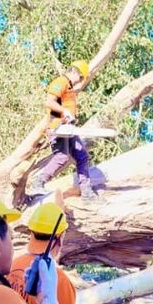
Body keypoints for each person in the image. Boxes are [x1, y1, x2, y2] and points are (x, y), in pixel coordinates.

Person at [29, 60, 98, 200]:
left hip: (67, 128)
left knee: (82, 155)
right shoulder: (61, 81)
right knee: (62, 157)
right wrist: (64, 111)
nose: (80, 81)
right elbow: (49, 102)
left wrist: (69, 116)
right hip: (57, 127)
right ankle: (38, 182)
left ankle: (86, 190)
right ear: (75, 72)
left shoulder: (70, 88)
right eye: (80, 78)